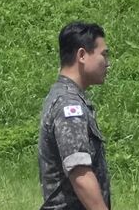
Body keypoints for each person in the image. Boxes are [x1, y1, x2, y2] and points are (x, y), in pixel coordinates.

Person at [39, 22, 113, 210]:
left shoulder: (65, 97)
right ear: (82, 55)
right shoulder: (69, 105)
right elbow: (79, 172)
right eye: (103, 54)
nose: (108, 63)